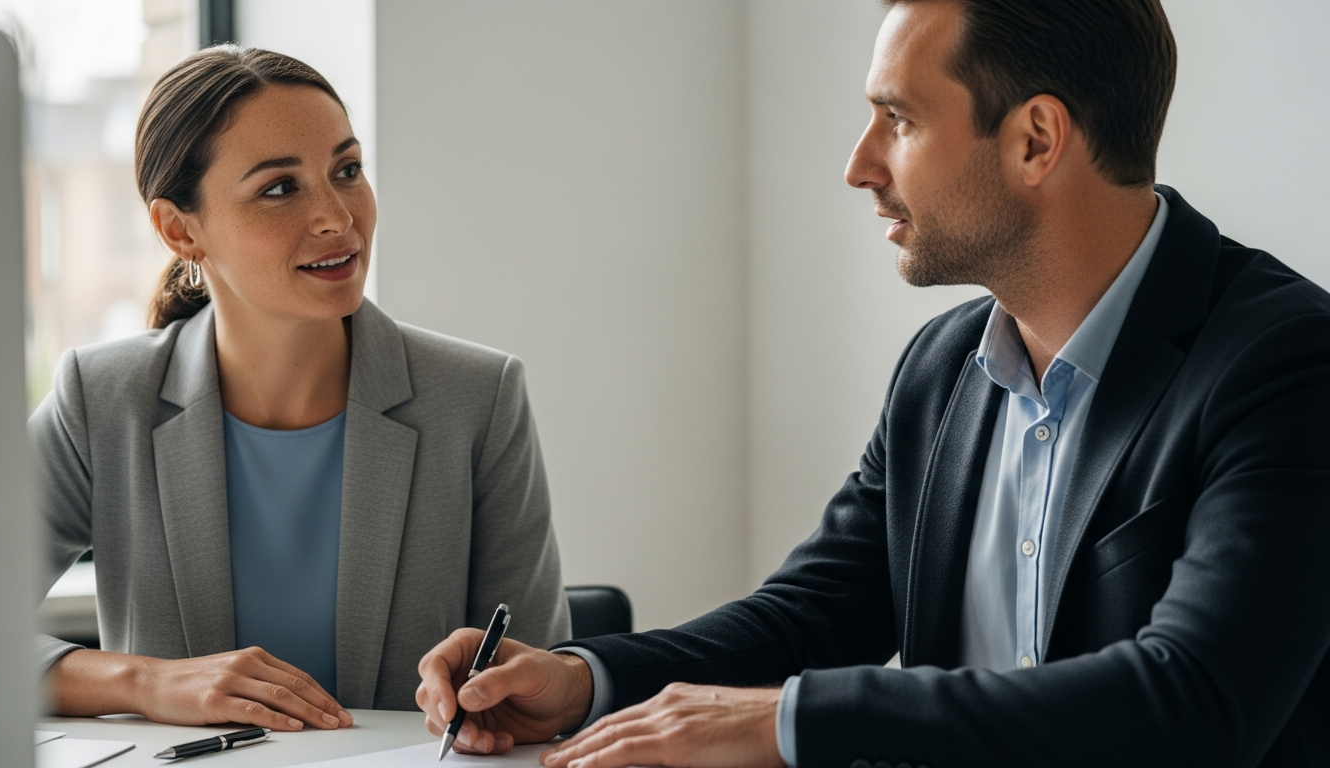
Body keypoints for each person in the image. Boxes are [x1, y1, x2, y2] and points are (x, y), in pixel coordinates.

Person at [415, 1, 1330, 765]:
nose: (860, 165)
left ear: (1035, 140)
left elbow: (1198, 700)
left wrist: (790, 721)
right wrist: (581, 679)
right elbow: (812, 616)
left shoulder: (1286, 362)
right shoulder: (942, 369)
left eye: (899, 119)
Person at [33, 46, 571, 732]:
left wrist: (501, 705)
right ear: (179, 228)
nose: (337, 217)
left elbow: (539, 679)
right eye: (280, 188)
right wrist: (144, 681)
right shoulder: (101, 402)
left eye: (347, 170)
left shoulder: (476, 398)